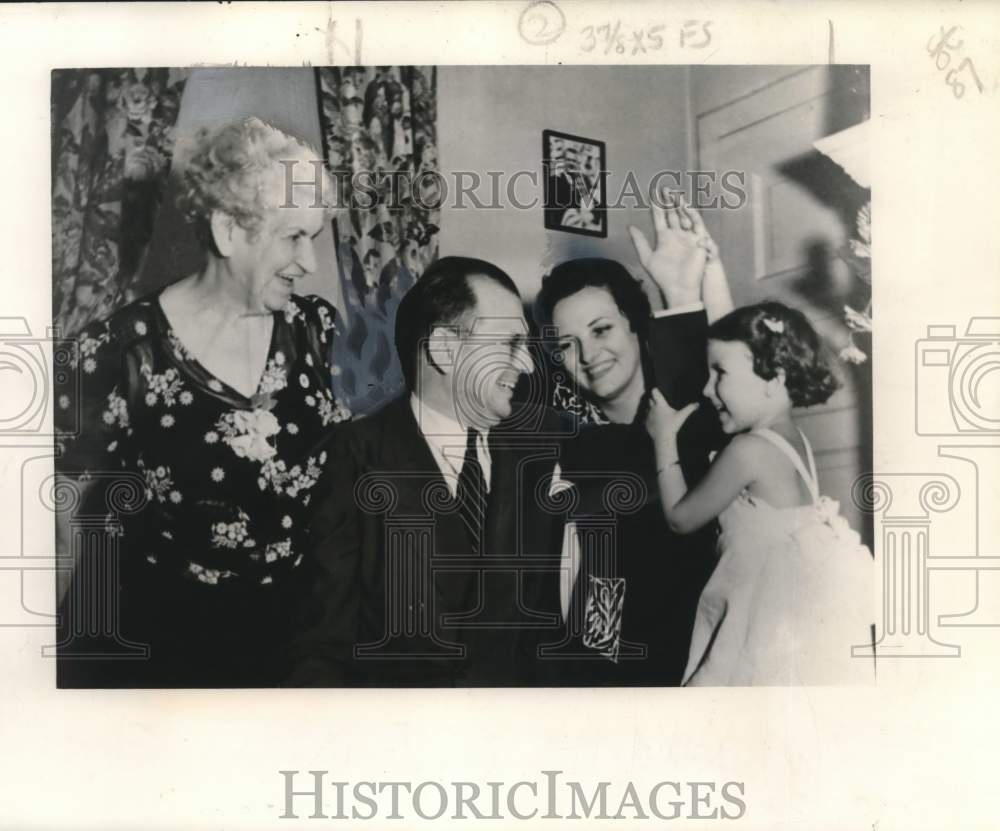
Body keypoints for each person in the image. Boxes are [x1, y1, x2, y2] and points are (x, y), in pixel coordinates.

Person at [54, 117, 348, 687]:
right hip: (168, 642)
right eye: (293, 236)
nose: (309, 263)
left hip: (301, 631)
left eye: (312, 237)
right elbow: (61, 518)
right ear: (227, 231)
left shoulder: (316, 327)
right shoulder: (117, 350)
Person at [291, 256, 567, 686]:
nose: (529, 364)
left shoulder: (545, 438)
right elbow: (325, 646)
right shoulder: (357, 456)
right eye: (510, 344)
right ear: (444, 349)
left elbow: (667, 427)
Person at [534, 195, 734, 685]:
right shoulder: (578, 451)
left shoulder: (702, 408)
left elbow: (718, 392)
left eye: (601, 330)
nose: (589, 354)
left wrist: (684, 292)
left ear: (635, 326)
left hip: (726, 647)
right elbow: (603, 584)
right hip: (648, 671)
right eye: (567, 345)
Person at [645, 301, 874, 685]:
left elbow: (680, 519)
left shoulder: (748, 451)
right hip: (788, 614)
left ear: (774, 380)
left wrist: (663, 439)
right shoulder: (793, 440)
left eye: (719, 374)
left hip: (756, 619)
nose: (706, 389)